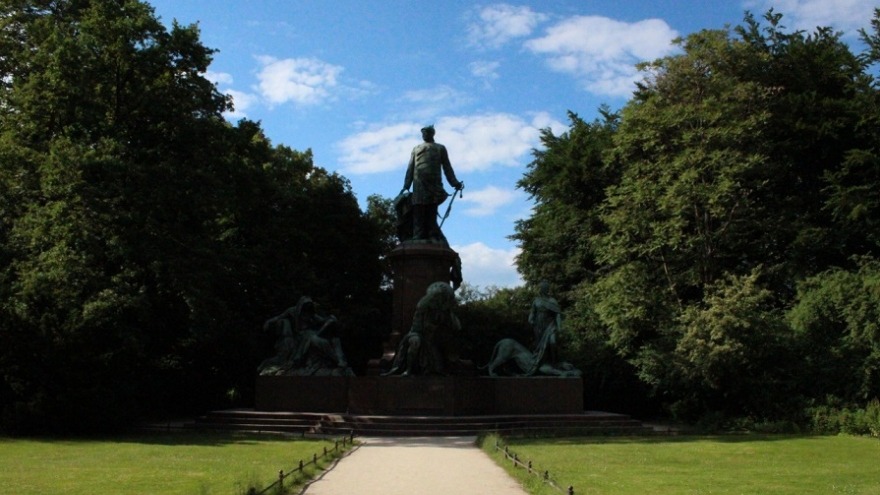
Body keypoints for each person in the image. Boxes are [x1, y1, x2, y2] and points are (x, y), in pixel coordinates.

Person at [258, 296, 353, 376]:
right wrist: (268, 322)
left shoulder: (311, 314)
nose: (306, 313)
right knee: (314, 339)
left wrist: (330, 320)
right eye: (305, 309)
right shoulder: (292, 311)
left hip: (310, 333)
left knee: (333, 338)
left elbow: (322, 321)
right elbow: (279, 317)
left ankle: (340, 361)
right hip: (300, 336)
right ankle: (336, 360)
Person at [400, 125, 463, 242]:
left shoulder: (440, 148)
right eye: (422, 133)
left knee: (431, 209)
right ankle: (418, 235)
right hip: (419, 184)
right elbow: (410, 168)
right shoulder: (416, 148)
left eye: (426, 133)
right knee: (418, 208)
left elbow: (447, 167)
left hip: (434, 183)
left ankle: (432, 234)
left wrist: (454, 183)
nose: (424, 135)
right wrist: (406, 185)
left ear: (432, 134)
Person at [384, 281, 461, 376]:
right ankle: (408, 370)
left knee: (445, 345)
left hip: (434, 338)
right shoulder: (423, 307)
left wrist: (450, 313)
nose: (440, 300)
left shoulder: (445, 311)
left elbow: (457, 327)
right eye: (438, 297)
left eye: (442, 297)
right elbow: (416, 327)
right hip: (417, 334)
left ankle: (449, 365)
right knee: (415, 342)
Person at [528, 280, 562, 366]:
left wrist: (559, 327)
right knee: (539, 345)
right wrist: (530, 319)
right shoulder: (536, 300)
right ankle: (542, 363)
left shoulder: (552, 300)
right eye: (541, 287)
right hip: (538, 325)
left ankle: (555, 363)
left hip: (550, 325)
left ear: (547, 289)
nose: (542, 289)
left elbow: (557, 314)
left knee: (553, 342)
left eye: (544, 287)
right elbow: (532, 312)